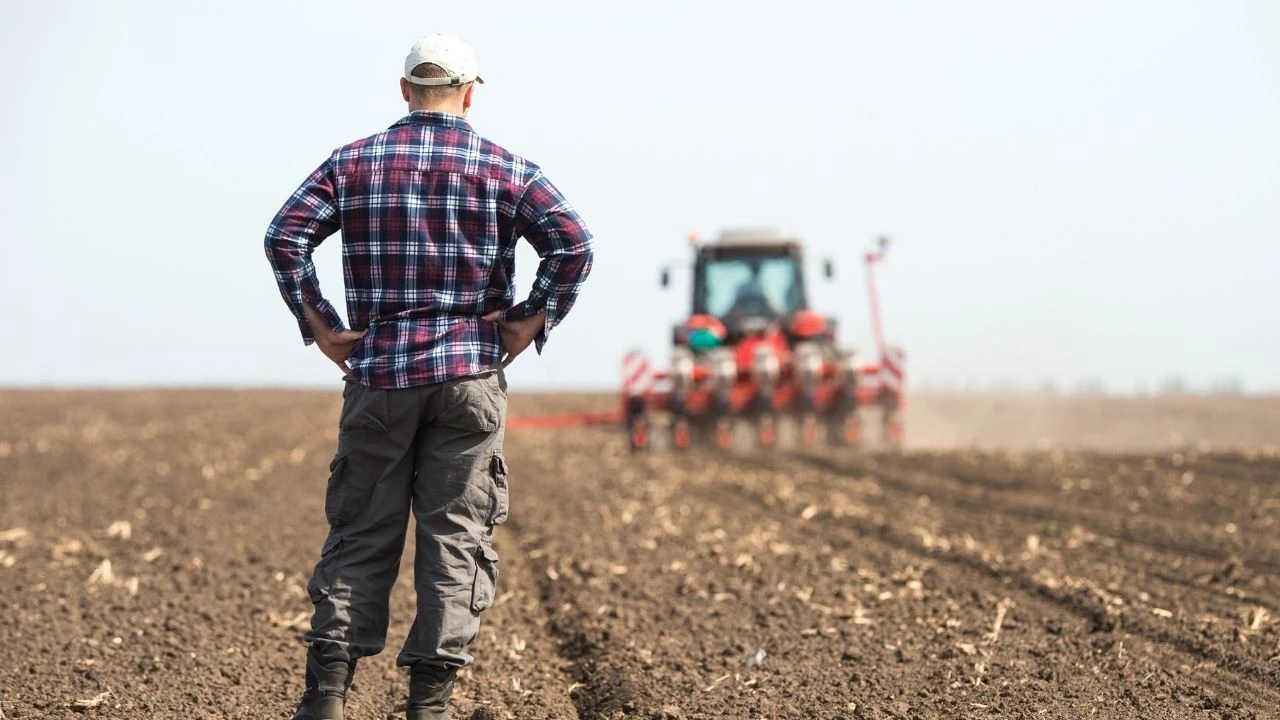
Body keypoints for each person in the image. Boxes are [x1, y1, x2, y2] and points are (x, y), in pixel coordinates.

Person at [263, 32, 593, 720]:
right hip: (470, 374)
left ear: (405, 90)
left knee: (361, 532)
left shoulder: (352, 163)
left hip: (380, 376)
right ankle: (431, 705)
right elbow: (574, 243)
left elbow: (284, 235)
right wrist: (530, 320)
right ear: (471, 93)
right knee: (456, 535)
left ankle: (325, 700)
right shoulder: (507, 168)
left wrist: (322, 326)